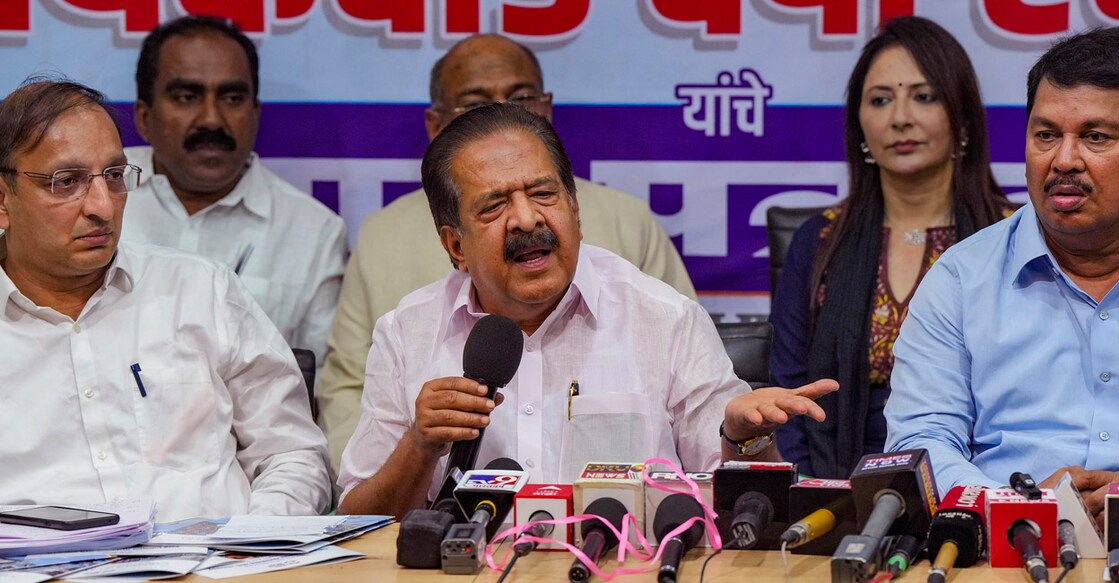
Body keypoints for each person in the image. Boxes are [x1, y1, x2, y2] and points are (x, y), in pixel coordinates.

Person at [335, 103, 837, 517]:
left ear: (575, 209)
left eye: (543, 194)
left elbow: (750, 507)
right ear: (455, 246)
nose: (527, 218)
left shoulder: (664, 319)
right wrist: (419, 447)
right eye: (494, 207)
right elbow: (357, 521)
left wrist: (746, 440)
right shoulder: (407, 333)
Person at [317, 34, 695, 472]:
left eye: (522, 98)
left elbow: (716, 452)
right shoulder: (388, 255)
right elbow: (348, 396)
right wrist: (404, 453)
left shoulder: (631, 231)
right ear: (454, 246)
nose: (526, 220)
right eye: (476, 104)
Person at [0, 80, 330, 521]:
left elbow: (293, 454)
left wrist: (252, 544)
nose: (102, 205)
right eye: (67, 182)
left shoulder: (200, 291)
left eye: (114, 176)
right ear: (3, 200)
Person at [885, 26, 1119, 524]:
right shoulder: (961, 279)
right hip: (1005, 549)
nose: (1063, 160)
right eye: (1046, 135)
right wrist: (1016, 504)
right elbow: (919, 443)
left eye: (1096, 137)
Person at [768, 17, 1012, 479]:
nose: (900, 117)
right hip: (836, 486)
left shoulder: (1012, 238)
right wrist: (814, 494)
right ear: (859, 126)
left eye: (923, 96)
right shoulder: (820, 241)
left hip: (982, 483)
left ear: (961, 117)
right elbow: (789, 394)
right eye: (881, 100)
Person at [122, 16, 346, 367]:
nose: (211, 119)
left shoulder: (313, 231)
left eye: (231, 97)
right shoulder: (93, 192)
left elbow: (312, 384)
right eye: (186, 96)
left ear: (255, 113)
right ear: (143, 117)